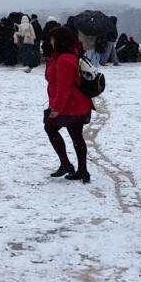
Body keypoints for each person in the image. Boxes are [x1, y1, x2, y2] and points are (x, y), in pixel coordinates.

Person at [43, 26, 92, 183]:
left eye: (52, 39)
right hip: (80, 103)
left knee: (50, 127)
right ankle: (82, 170)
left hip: (70, 105)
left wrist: (56, 109)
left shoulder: (64, 59)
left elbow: (64, 88)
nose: (50, 42)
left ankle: (65, 163)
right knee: (77, 135)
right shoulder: (74, 53)